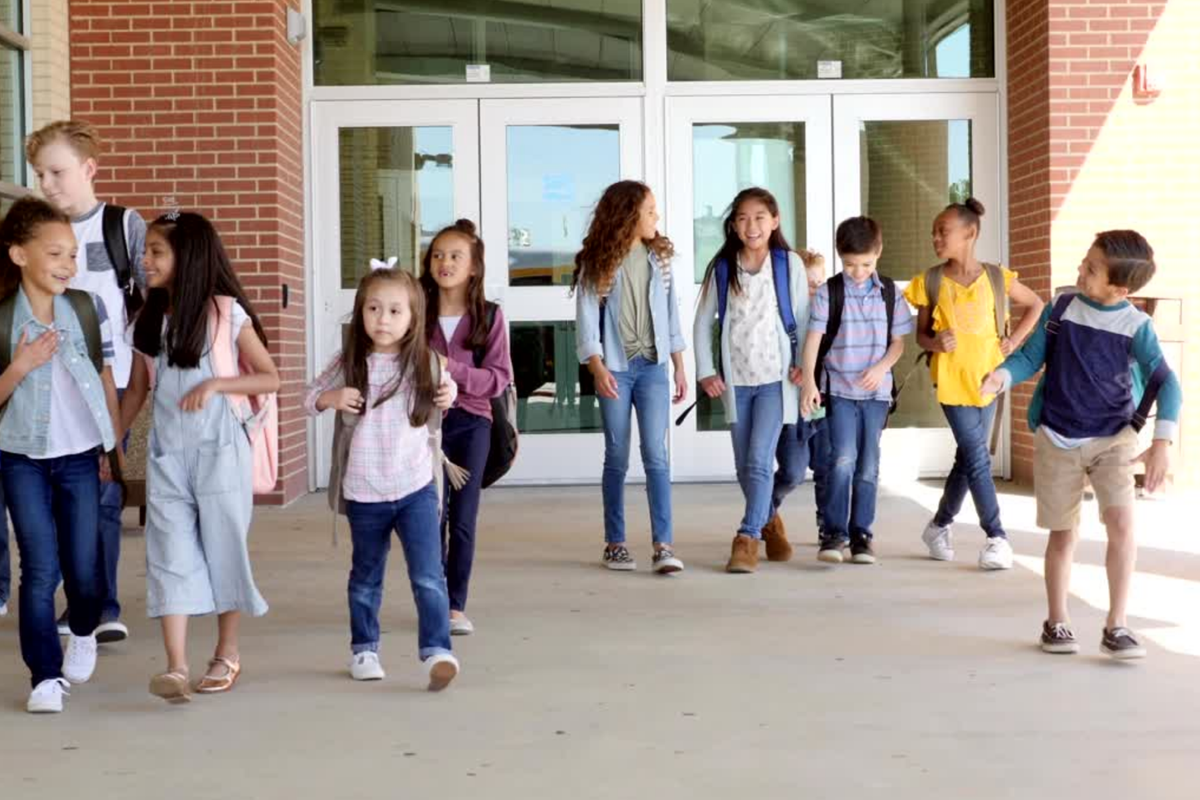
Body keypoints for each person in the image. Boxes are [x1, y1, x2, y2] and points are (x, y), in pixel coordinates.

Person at [981, 230, 1181, 659]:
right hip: (1058, 436)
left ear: (1120, 288)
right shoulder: (1063, 308)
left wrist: (1162, 441)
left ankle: (1117, 624)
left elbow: (1168, 384)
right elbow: (1030, 356)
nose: (1080, 271)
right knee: (1063, 533)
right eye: (1084, 261)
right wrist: (1001, 376)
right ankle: (1057, 622)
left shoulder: (1136, 326)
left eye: (1091, 269)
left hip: (1113, 439)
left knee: (1123, 526)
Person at [119, 211, 275, 703]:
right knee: (168, 555)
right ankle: (175, 667)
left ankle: (226, 652)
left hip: (221, 451)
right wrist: (112, 445)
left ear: (188, 258)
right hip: (169, 457)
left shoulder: (227, 314)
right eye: (145, 251)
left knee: (224, 547)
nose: (145, 260)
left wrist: (217, 384)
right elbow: (137, 392)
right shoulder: (145, 322)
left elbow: (269, 377)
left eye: (156, 252)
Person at [306, 265, 461, 690]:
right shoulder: (350, 361)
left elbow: (449, 391)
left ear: (413, 318)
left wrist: (449, 394)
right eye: (374, 308)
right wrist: (330, 397)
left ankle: (437, 651)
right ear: (361, 313)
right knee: (366, 576)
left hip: (415, 488)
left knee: (428, 574)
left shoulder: (424, 362)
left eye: (395, 310)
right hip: (365, 491)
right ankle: (364, 649)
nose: (383, 319)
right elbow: (308, 397)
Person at [0, 197, 122, 713]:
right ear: (19, 255)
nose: (68, 265)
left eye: (72, 255)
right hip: (20, 456)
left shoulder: (86, 308)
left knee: (85, 570)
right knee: (40, 569)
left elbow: (104, 378)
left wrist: (111, 449)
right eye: (55, 254)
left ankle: (85, 629)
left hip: (79, 455)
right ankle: (44, 676)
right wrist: (21, 365)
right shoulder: (3, 320)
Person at [27, 119, 147, 643]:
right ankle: (74, 600)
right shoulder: (35, 232)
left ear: (89, 169)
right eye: (39, 174)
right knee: (56, 498)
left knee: (100, 493)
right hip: (46, 385)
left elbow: (152, 294)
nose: (47, 184)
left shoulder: (122, 227)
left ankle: (102, 606)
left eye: (56, 172)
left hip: (109, 382)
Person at [907, 199, 1045, 570]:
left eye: (943, 230)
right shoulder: (930, 281)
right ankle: (997, 536)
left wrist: (1013, 342)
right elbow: (920, 335)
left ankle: (938, 526)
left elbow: (1036, 305)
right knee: (979, 458)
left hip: (989, 382)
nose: (935, 237)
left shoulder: (998, 278)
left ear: (970, 233)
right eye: (934, 231)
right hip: (951, 383)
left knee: (968, 459)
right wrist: (936, 342)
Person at [574, 181, 688, 574]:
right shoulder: (600, 260)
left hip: (653, 368)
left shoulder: (660, 258)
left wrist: (679, 364)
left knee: (657, 455)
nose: (657, 217)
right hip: (616, 371)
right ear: (628, 216)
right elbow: (587, 318)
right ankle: (616, 543)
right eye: (650, 211)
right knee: (617, 456)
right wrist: (598, 367)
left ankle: (664, 544)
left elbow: (671, 314)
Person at [694, 188, 808, 574]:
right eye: (742, 217)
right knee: (744, 467)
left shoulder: (787, 263)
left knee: (760, 461)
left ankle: (747, 538)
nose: (751, 225)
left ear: (775, 221)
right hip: (737, 382)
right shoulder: (723, 266)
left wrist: (804, 367)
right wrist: (706, 370)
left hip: (777, 381)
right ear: (733, 225)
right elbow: (702, 322)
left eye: (760, 217)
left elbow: (804, 318)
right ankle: (770, 519)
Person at [801, 216, 912, 565]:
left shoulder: (890, 293)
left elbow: (898, 345)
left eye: (865, 264)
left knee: (868, 465)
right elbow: (813, 343)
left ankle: (862, 534)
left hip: (876, 394)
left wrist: (881, 368)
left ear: (878, 254)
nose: (858, 271)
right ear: (840, 257)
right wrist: (808, 382)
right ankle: (834, 533)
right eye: (850, 264)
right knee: (842, 458)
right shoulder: (830, 293)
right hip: (840, 391)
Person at [421, 220, 514, 635]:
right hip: (422, 424)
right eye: (438, 254)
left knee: (462, 516)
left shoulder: (489, 316)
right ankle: (432, 596)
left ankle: (454, 605)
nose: (445, 262)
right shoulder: (414, 309)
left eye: (456, 256)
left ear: (474, 266)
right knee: (428, 514)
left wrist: (452, 370)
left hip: (472, 422)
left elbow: (498, 378)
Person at [765, 249, 830, 557]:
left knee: (826, 467)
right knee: (792, 470)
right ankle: (766, 509)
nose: (813, 290)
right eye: (807, 284)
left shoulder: (830, 317)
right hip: (794, 408)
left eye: (818, 283)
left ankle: (826, 524)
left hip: (824, 407)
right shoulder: (785, 318)